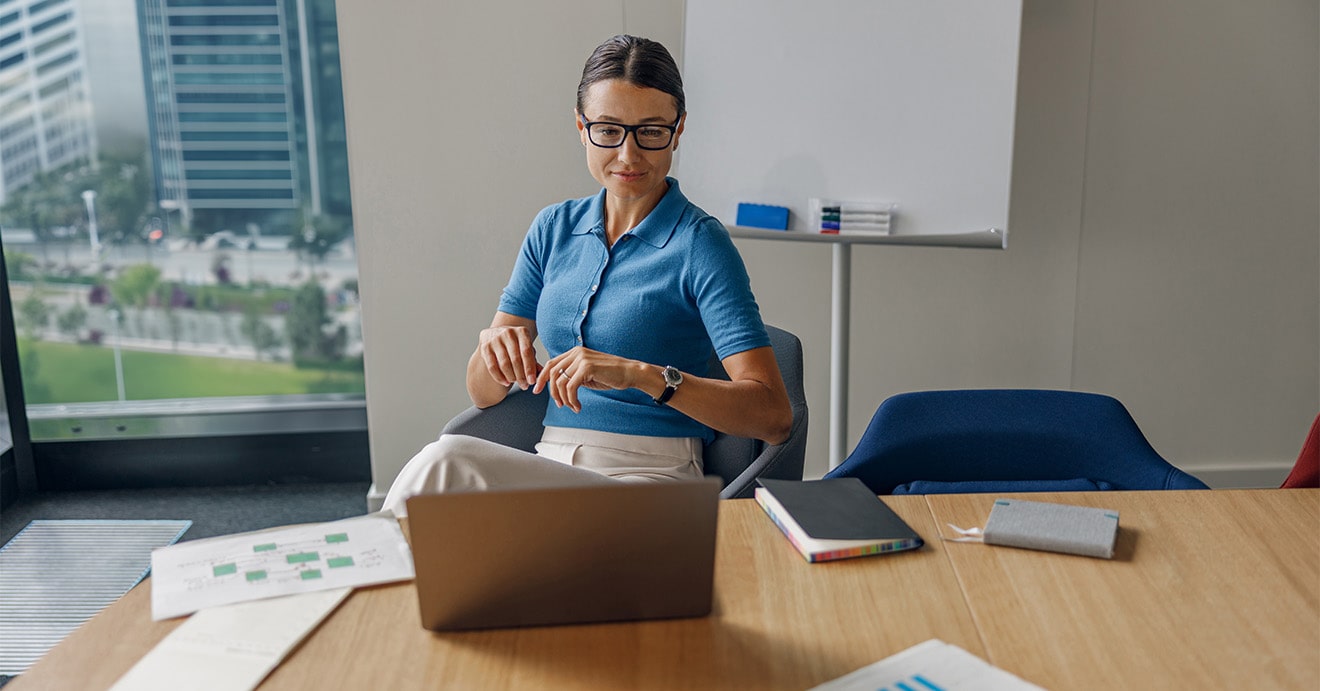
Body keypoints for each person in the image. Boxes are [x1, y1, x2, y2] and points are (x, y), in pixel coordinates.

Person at [382, 35, 792, 517]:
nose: (628, 155)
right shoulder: (554, 228)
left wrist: (641, 375)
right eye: (608, 130)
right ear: (581, 127)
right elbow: (482, 392)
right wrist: (493, 350)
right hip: (547, 464)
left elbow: (773, 417)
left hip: (650, 481)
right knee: (444, 510)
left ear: (678, 131)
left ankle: (352, 571)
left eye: (651, 131)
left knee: (446, 461)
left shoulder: (700, 244)